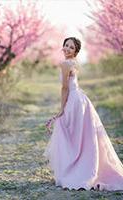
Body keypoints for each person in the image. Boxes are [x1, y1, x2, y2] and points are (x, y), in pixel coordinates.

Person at [43, 37, 123, 191]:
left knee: (70, 132)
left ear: (75, 51)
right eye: (66, 45)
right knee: (82, 135)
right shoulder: (73, 63)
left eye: (71, 47)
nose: (67, 49)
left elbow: (65, 88)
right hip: (81, 100)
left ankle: (74, 170)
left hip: (74, 101)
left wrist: (61, 109)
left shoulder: (66, 64)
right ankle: (81, 166)